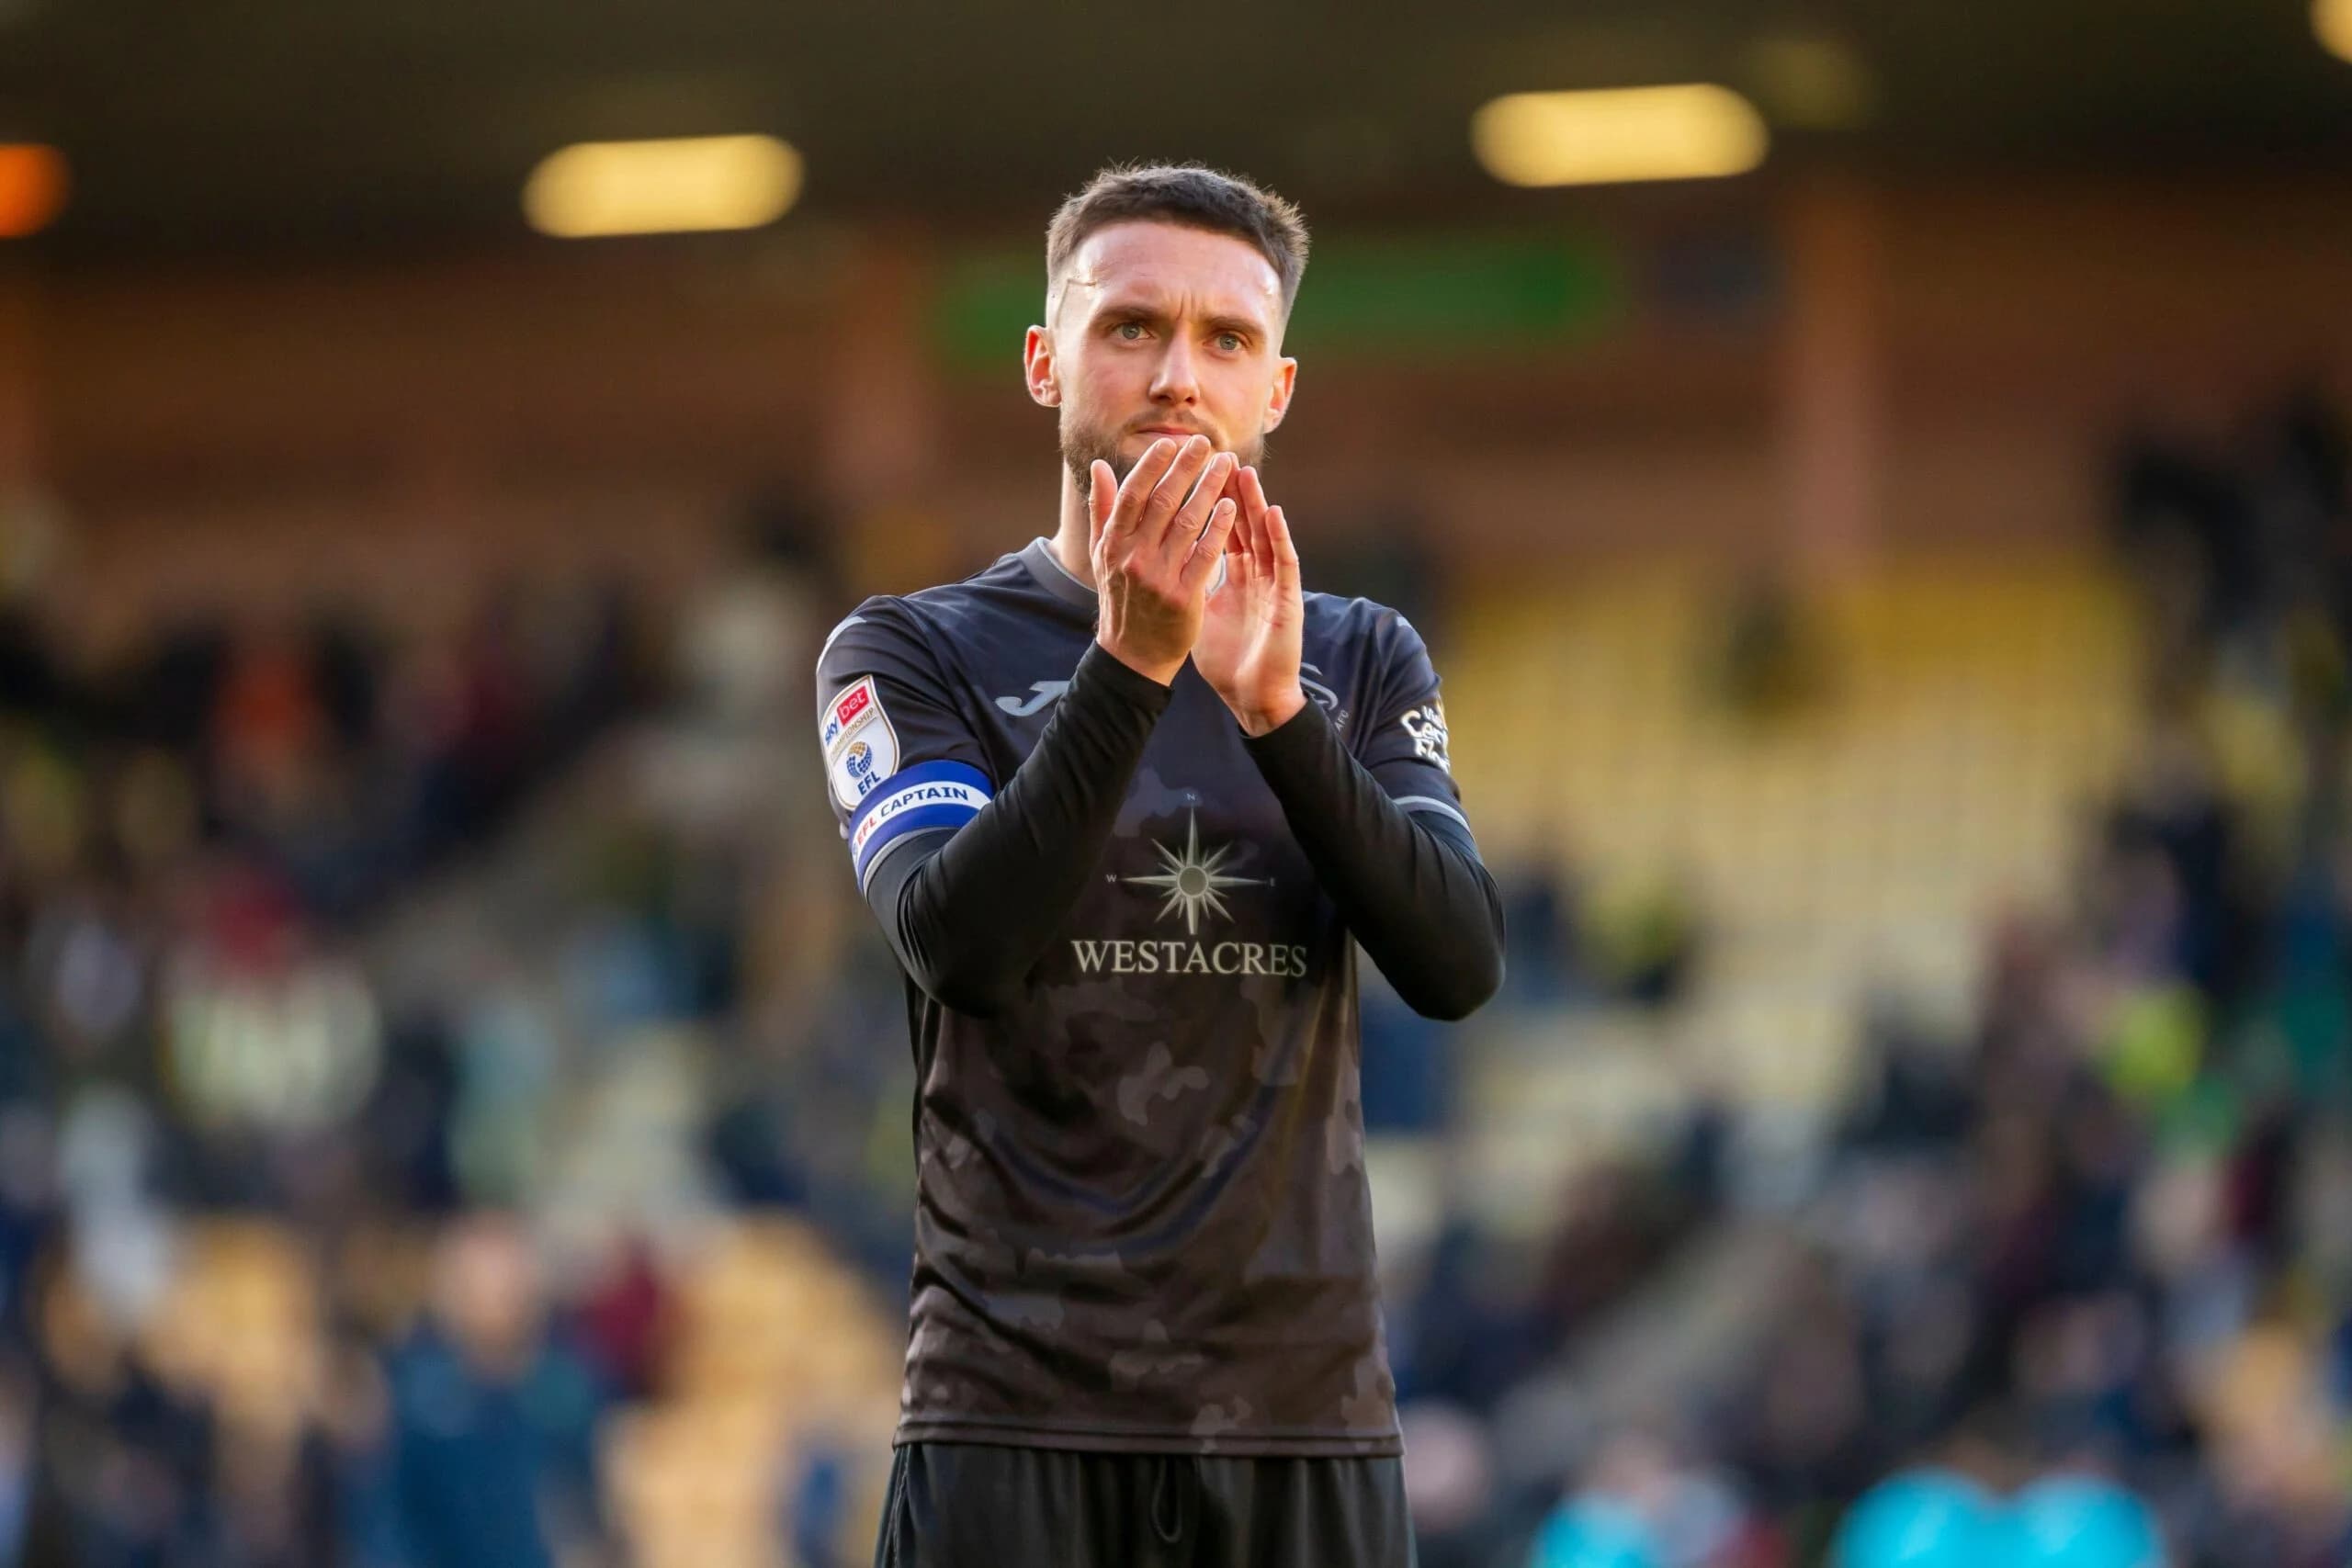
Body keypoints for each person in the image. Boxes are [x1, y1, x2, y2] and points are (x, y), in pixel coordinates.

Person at [814, 163, 1506, 1567]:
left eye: (1226, 340)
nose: (1178, 374)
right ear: (1043, 359)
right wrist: (1133, 665)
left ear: (1278, 390)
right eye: (1131, 327)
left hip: (1301, 1420)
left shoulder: (1357, 658)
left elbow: (1458, 964)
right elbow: (957, 943)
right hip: (1012, 1418)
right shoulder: (911, 653)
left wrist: (1279, 719)